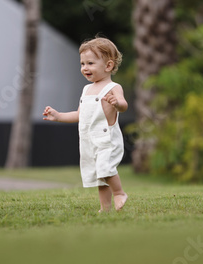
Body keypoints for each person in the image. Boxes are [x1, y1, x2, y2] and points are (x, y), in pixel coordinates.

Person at [42, 37, 128, 212]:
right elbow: (79, 115)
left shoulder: (113, 87)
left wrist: (116, 103)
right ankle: (105, 207)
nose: (85, 68)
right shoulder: (86, 90)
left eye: (90, 63)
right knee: (99, 175)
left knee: (105, 168)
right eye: (82, 64)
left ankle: (119, 193)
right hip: (89, 140)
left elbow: (124, 105)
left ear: (108, 66)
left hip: (106, 139)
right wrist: (58, 116)